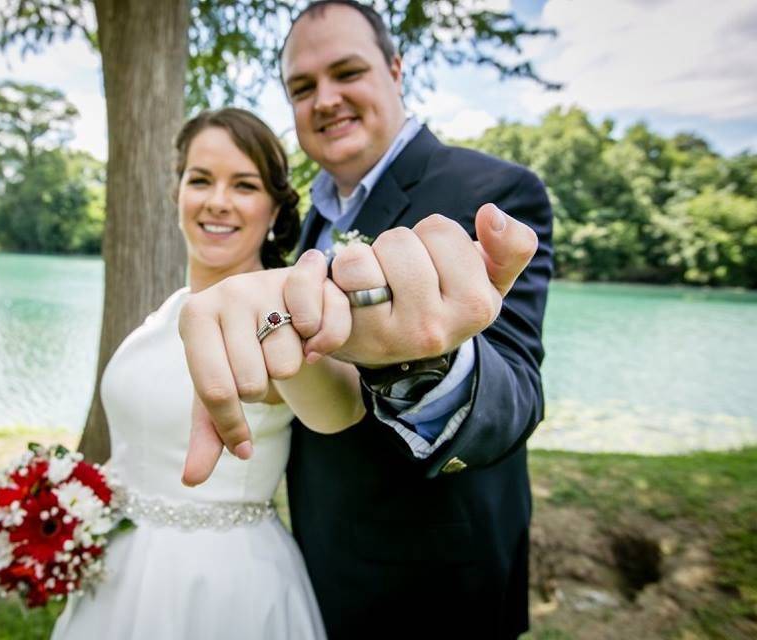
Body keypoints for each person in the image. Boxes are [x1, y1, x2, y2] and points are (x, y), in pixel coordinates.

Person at [178, 2, 554, 638]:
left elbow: (515, 396)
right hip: (316, 564)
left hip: (435, 582)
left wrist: (423, 361)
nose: (324, 99)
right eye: (302, 87)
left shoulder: (492, 190)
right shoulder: (313, 226)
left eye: (346, 72)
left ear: (396, 68)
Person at [50, 108, 367, 639]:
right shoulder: (168, 310)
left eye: (243, 185)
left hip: (224, 584)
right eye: (200, 180)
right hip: (118, 569)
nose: (217, 201)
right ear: (178, 193)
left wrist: (287, 329)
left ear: (273, 209)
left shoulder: (284, 314)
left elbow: (338, 408)